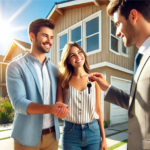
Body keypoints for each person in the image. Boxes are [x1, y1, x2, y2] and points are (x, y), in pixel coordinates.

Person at [88, 0, 150, 150]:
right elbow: (137, 106)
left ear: (133, 16)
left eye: (117, 24)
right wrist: (107, 88)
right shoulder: (141, 58)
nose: (116, 33)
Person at [6, 19, 69, 150]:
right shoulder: (15, 66)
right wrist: (50, 108)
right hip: (25, 138)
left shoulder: (55, 70)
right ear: (32, 36)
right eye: (45, 35)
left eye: (51, 37)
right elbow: (18, 103)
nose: (49, 41)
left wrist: (61, 110)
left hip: (52, 137)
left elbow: (59, 100)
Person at [56, 42, 107, 150]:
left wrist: (104, 139)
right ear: (68, 60)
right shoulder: (63, 81)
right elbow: (58, 108)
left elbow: (98, 110)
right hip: (70, 134)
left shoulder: (94, 80)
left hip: (93, 132)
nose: (78, 57)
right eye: (73, 55)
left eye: (80, 52)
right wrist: (60, 112)